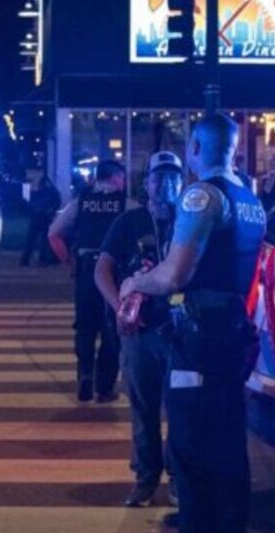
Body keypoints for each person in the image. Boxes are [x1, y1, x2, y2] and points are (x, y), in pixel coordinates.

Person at [120, 115, 267, 533]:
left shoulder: (202, 196)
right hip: (232, 335)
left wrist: (135, 284)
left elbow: (176, 274)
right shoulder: (249, 198)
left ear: (198, 147)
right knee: (228, 456)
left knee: (193, 464)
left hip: (199, 340)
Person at [94, 152, 183, 508]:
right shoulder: (129, 222)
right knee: (143, 409)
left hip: (179, 331)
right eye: (159, 177)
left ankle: (178, 479)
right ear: (146, 183)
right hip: (139, 332)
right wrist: (119, 307)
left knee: (179, 410)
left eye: (173, 177)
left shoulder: (189, 221)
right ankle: (145, 479)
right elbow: (102, 270)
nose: (166, 184)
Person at [48, 159, 126, 403]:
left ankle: (85, 375)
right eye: (122, 178)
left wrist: (69, 262)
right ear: (115, 178)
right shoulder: (126, 204)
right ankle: (105, 387)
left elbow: (54, 234)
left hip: (86, 268)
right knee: (111, 327)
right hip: (114, 272)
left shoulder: (80, 202)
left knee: (85, 325)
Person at [21, 175, 62, 266]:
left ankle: (27, 259)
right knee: (44, 239)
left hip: (38, 216)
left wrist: (35, 210)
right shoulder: (52, 191)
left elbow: (30, 203)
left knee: (32, 239)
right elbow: (57, 202)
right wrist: (51, 211)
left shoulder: (39, 192)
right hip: (45, 217)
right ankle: (42, 259)